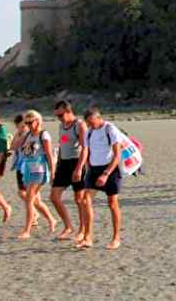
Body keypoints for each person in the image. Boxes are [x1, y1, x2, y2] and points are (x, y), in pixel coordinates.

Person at [77, 107, 124, 250]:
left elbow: (117, 155)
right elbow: (86, 151)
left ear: (98, 118)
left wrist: (106, 174)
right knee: (85, 200)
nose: (90, 125)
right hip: (93, 169)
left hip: (110, 169)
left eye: (91, 122)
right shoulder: (89, 132)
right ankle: (88, 237)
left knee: (112, 203)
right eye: (88, 123)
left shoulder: (110, 129)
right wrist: (82, 167)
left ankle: (116, 238)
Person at [16, 110, 57, 240]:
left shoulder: (44, 135)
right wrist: (19, 132)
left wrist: (53, 172)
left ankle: (27, 230)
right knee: (36, 201)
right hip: (28, 169)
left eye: (30, 122)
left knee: (29, 199)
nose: (28, 125)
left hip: (39, 169)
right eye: (26, 122)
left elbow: (49, 155)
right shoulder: (28, 134)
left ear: (38, 121)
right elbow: (14, 146)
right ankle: (52, 219)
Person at [50, 100, 87, 242]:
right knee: (54, 196)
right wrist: (55, 167)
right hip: (63, 164)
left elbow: (85, 148)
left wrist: (79, 169)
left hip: (77, 163)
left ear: (68, 111)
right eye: (57, 116)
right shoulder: (61, 125)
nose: (58, 118)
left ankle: (82, 230)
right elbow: (62, 144)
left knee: (79, 199)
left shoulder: (79, 125)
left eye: (60, 115)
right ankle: (68, 226)